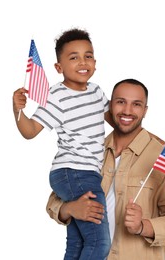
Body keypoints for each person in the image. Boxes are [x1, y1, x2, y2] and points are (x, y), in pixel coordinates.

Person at [46, 78, 165, 260]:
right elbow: (54, 201)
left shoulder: (163, 157)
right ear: (110, 106)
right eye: (120, 102)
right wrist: (70, 209)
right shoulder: (89, 149)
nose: (127, 110)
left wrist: (143, 226)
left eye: (136, 104)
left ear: (145, 111)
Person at [13, 28, 113, 259]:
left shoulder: (97, 92)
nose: (82, 62)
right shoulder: (57, 96)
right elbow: (30, 132)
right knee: (99, 243)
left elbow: (115, 122)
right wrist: (18, 110)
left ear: (95, 62)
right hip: (74, 172)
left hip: (87, 173)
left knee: (77, 243)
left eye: (88, 56)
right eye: (74, 57)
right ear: (59, 68)